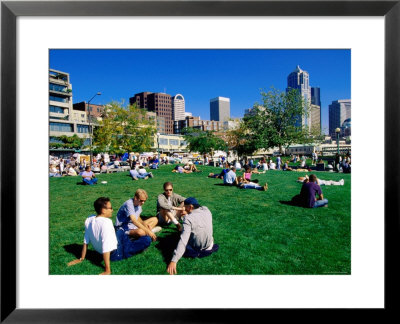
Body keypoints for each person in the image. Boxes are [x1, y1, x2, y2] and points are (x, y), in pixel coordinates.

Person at [67, 197, 151, 275]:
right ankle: (133, 242)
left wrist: (81, 258)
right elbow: (106, 246)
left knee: (121, 231)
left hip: (116, 239)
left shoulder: (89, 219)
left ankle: (129, 238)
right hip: (116, 254)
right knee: (147, 239)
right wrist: (107, 270)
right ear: (103, 210)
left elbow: (86, 240)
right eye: (110, 208)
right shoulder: (106, 223)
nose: (112, 210)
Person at [167, 197, 219, 275]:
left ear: (191, 207)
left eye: (185, 207)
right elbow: (202, 208)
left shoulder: (188, 219)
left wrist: (174, 261)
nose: (184, 209)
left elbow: (183, 240)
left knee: (181, 238)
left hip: (195, 247)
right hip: (209, 246)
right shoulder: (207, 210)